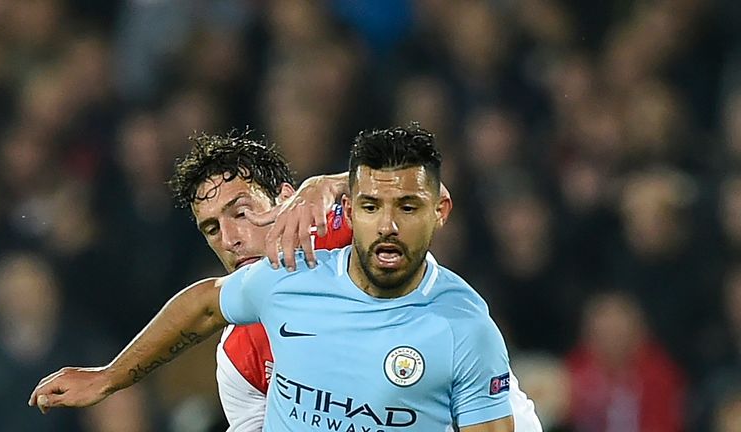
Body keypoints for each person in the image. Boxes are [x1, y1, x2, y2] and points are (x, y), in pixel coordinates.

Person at [29, 126, 541, 431]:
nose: (232, 237)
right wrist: (108, 376)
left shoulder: (342, 229)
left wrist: (333, 183)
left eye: (243, 211)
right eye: (213, 227)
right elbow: (205, 303)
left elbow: (413, 188)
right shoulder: (241, 353)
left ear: (288, 197)